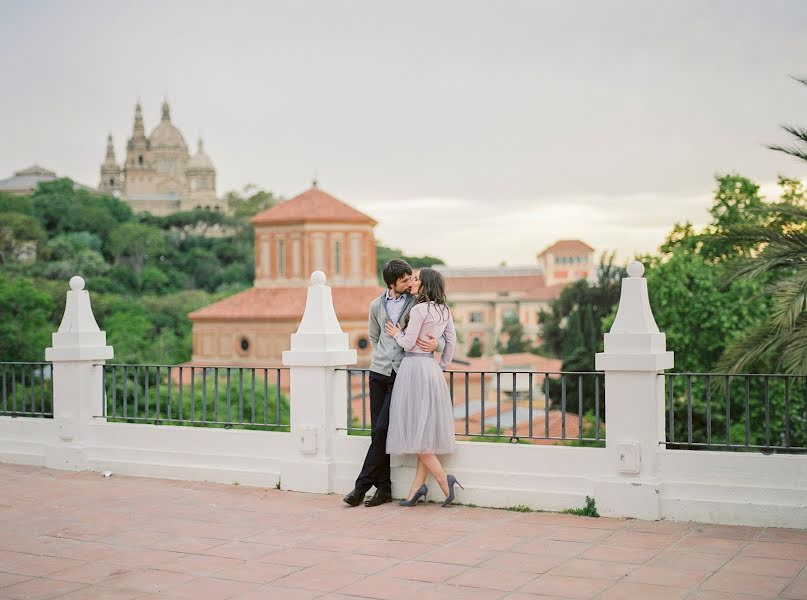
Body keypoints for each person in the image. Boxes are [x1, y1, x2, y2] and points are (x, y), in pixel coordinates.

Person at [343, 259, 442, 507]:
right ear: (392, 283)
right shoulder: (376, 305)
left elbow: (437, 325)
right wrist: (382, 355)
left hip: (401, 373)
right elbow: (374, 337)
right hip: (378, 373)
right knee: (379, 430)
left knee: (381, 429)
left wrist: (436, 345)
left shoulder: (417, 302)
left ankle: (361, 486)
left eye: (411, 278)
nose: (410, 283)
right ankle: (384, 488)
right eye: (404, 280)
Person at [384, 267, 462, 507]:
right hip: (431, 370)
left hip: (414, 368)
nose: (413, 282)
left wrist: (397, 333)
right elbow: (452, 341)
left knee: (416, 431)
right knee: (422, 431)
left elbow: (408, 343)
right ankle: (415, 491)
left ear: (426, 284)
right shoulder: (444, 310)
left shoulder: (419, 309)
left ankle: (444, 480)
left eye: (417, 279)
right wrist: (443, 367)